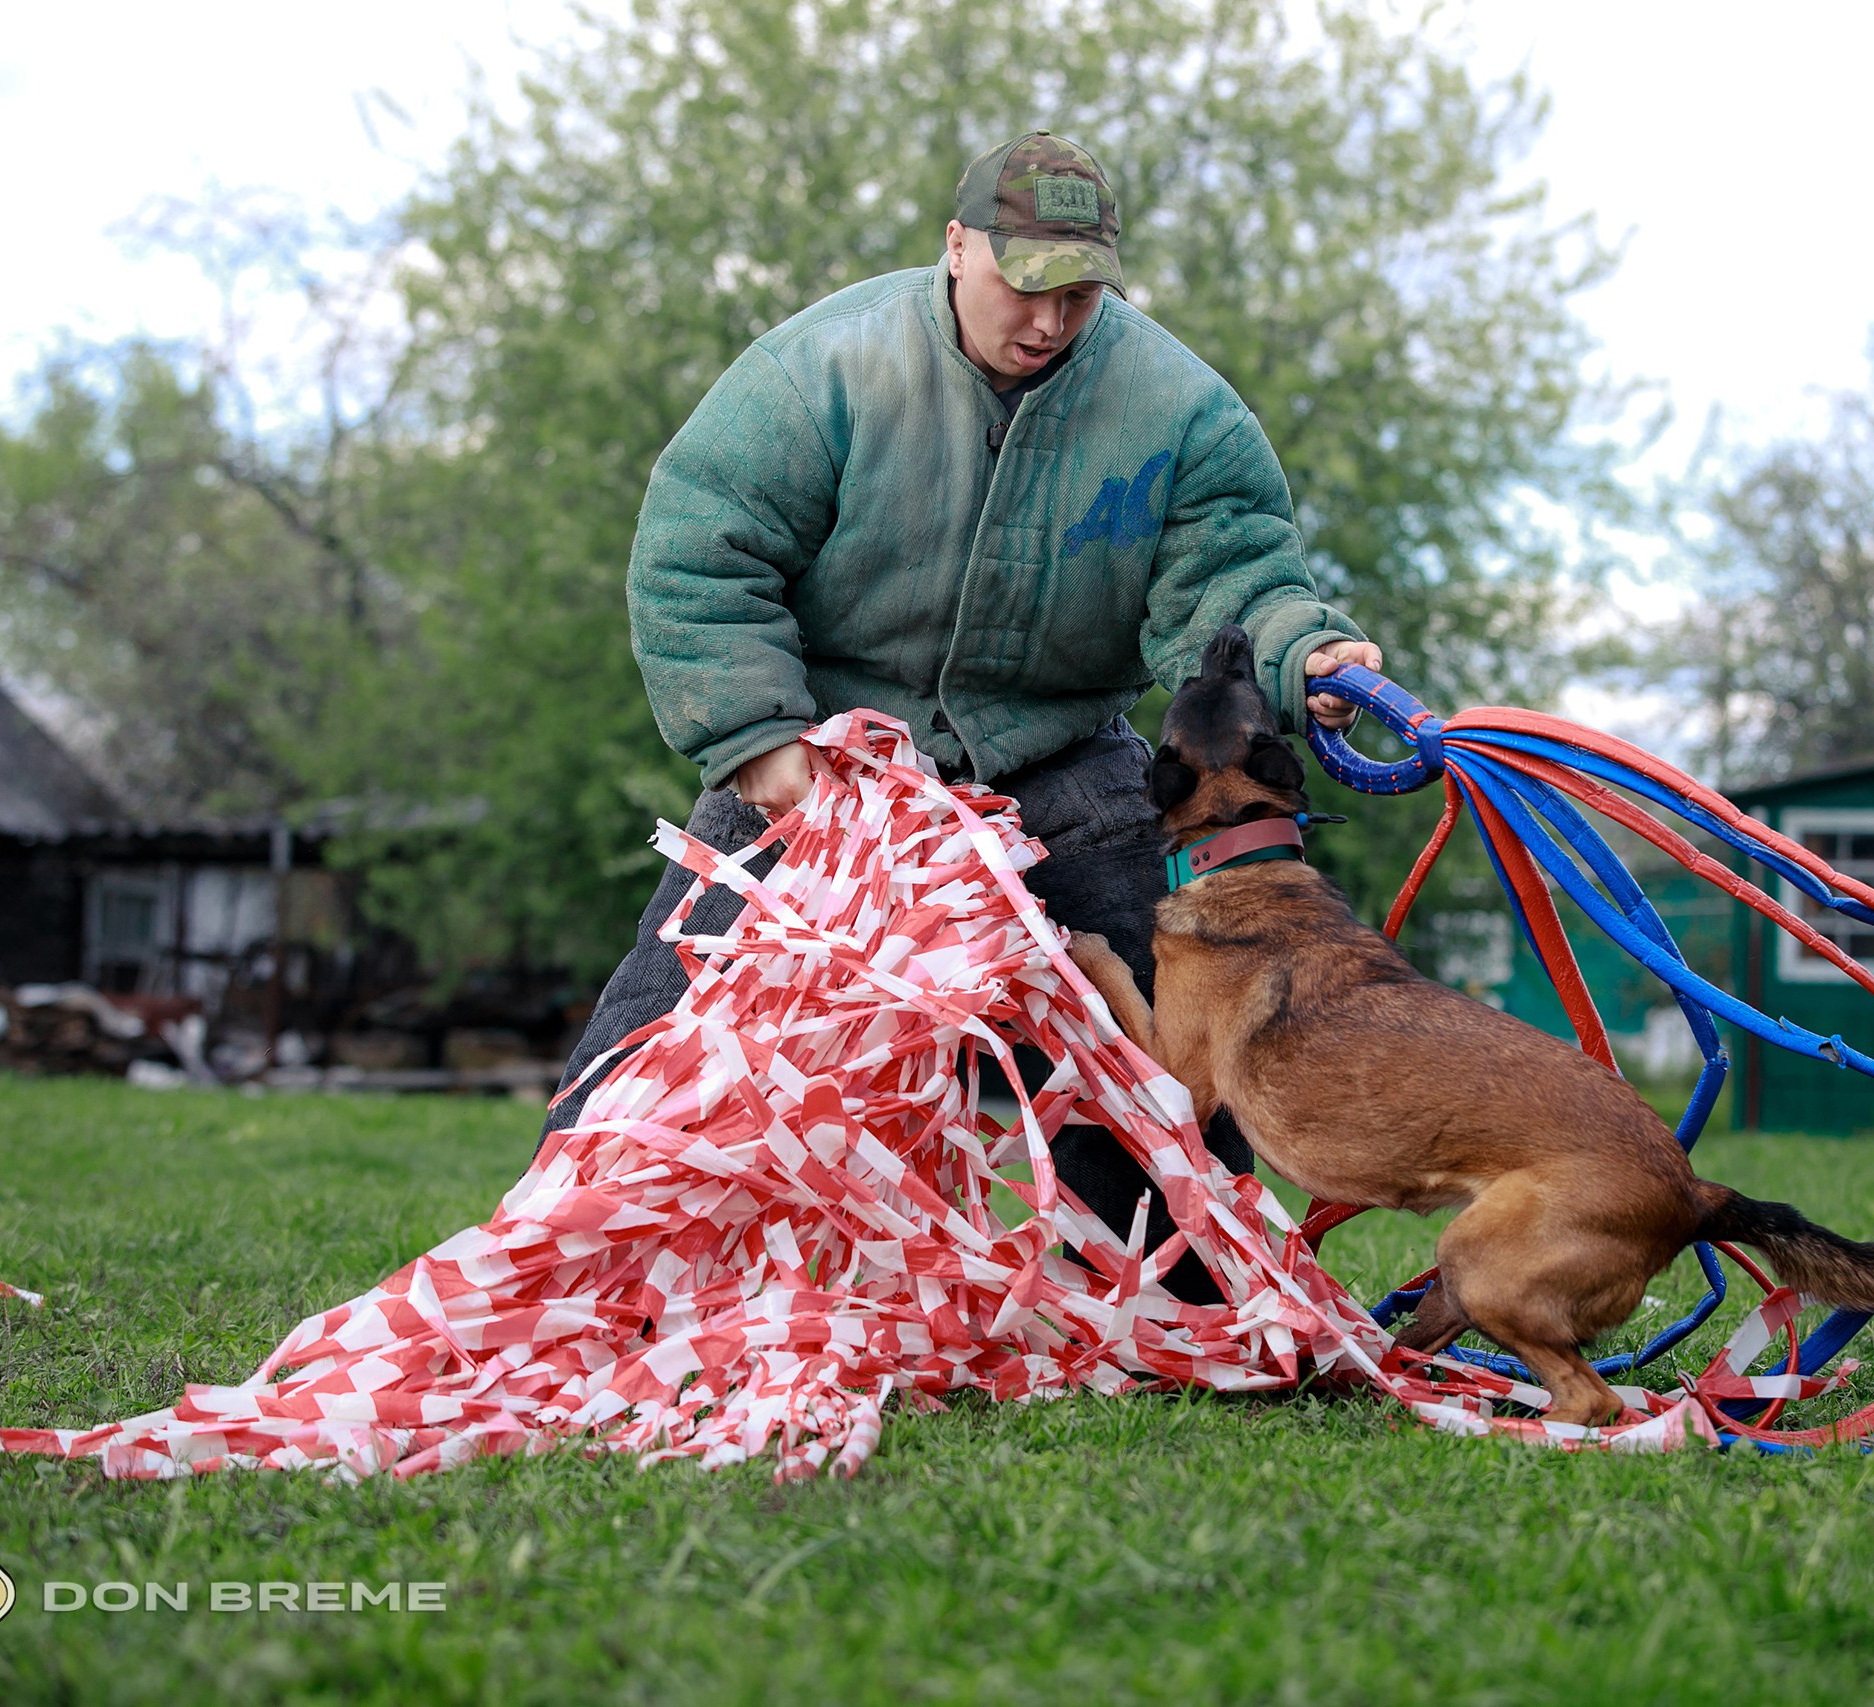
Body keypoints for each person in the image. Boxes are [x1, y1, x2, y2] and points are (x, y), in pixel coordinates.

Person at [545, 130, 1381, 1300]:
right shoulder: (819, 369)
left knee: (1149, 1020)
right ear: (956, 247)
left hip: (1057, 753)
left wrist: (1310, 652)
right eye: (1022, 287)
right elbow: (699, 556)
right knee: (672, 1012)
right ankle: (565, 1258)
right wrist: (759, 743)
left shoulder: (1181, 413)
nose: (1046, 321)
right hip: (826, 756)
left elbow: (1231, 595)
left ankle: (1175, 1303)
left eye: (1078, 295)